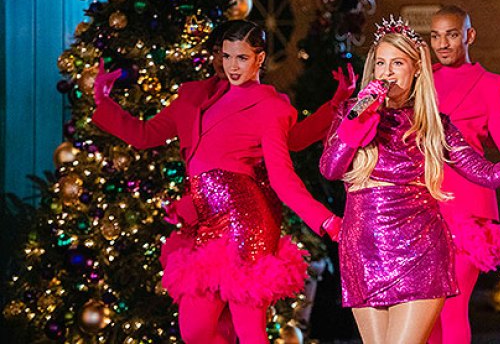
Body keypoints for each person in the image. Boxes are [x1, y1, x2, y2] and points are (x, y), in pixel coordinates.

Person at [91, 20, 342, 344]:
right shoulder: (193, 99)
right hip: (206, 221)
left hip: (247, 222)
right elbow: (144, 135)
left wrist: (326, 220)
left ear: (260, 59)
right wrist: (103, 101)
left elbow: (283, 174)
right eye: (226, 56)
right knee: (195, 330)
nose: (232, 66)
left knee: (249, 330)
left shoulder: (270, 107)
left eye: (241, 57)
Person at [319, 16, 500, 344]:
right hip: (363, 249)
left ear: (416, 69)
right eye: (380, 63)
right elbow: (330, 169)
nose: (386, 72)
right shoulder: (352, 113)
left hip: (418, 248)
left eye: (397, 63)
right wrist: (357, 121)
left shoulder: (433, 123)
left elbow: (487, 174)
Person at [427, 5, 500, 344]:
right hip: (424, 204)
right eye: (435, 36)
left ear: (469, 36)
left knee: (452, 306)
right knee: (426, 310)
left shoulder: (491, 85)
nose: (442, 44)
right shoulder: (421, 80)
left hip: (468, 205)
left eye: (451, 35)